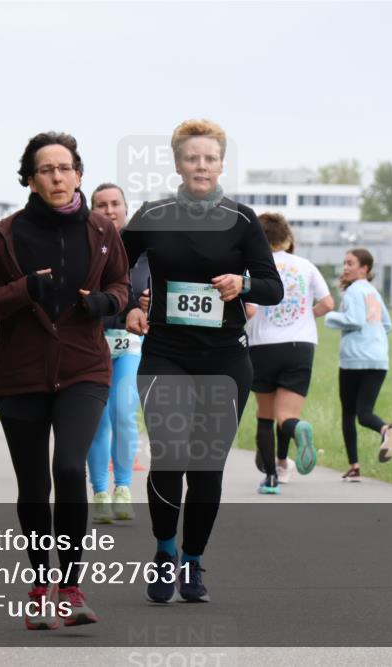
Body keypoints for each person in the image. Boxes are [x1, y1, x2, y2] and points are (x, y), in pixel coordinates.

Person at [0, 131, 129, 630]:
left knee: (69, 466)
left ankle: (72, 587)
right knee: (34, 484)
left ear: (78, 173)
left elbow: (121, 284)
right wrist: (23, 289)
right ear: (30, 180)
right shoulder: (6, 236)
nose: (57, 177)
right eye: (46, 170)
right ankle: (40, 587)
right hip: (21, 373)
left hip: (83, 368)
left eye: (65, 168)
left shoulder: (103, 231)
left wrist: (108, 303)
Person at [122, 119, 283, 603]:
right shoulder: (153, 214)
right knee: (170, 458)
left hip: (225, 358)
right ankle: (165, 553)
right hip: (167, 354)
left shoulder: (241, 219)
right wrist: (131, 302)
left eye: (210, 158)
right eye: (192, 157)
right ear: (177, 163)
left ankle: (193, 561)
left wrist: (244, 284)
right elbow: (117, 267)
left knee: (207, 467)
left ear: (221, 164)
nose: (201, 165)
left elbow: (271, 286)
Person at [246, 213, 334, 493]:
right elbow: (328, 303)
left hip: (262, 346)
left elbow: (249, 309)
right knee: (287, 416)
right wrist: (305, 316)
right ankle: (297, 431)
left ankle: (271, 479)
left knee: (266, 415)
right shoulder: (305, 266)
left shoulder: (252, 268)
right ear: (286, 237)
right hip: (300, 345)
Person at [86, 183, 150, 523]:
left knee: (124, 413)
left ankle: (123, 488)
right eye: (101, 205)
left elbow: (159, 295)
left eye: (115, 204)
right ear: (92, 210)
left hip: (130, 345)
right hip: (92, 345)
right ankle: (99, 492)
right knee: (97, 421)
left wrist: (150, 303)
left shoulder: (144, 255)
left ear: (126, 209)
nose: (109, 210)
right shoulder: (85, 249)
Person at [324, 248, 392, 481]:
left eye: (350, 263)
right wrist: (372, 336)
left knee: (349, 414)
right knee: (365, 412)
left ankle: (356, 464)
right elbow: (387, 325)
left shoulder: (354, 291)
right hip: (378, 359)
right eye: (344, 263)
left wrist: (330, 317)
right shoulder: (373, 293)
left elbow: (354, 321)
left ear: (364, 269)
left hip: (354, 360)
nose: (345, 268)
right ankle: (385, 431)